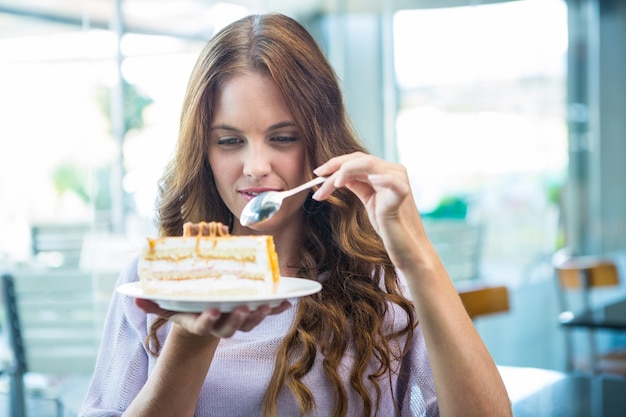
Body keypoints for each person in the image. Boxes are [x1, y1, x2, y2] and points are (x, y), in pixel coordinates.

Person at [80, 13, 512, 417]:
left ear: (320, 145)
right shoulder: (155, 284)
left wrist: (417, 257)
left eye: (283, 138)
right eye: (230, 142)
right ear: (203, 153)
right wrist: (191, 341)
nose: (255, 166)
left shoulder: (377, 281)